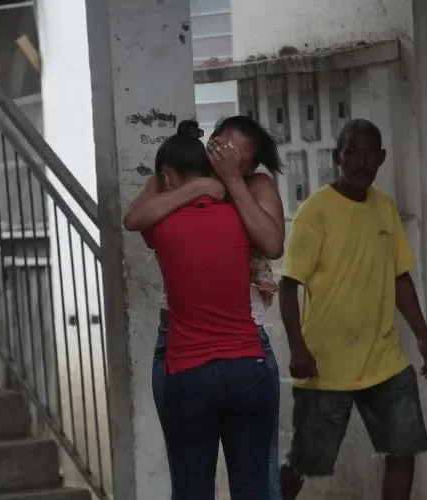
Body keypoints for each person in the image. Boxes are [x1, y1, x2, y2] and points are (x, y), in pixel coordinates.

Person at [278, 118, 427, 500]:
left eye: (370, 154)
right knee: (304, 463)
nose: (361, 162)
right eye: (352, 152)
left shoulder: (384, 207)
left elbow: (400, 279)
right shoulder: (315, 211)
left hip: (384, 359)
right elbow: (289, 287)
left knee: (404, 450)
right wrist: (298, 348)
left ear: (382, 159)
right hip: (326, 364)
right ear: (338, 157)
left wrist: (423, 336)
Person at [123, 115, 285, 500]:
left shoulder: (255, 187)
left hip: (245, 343)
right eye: (221, 144)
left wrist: (229, 183)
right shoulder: (174, 179)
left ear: (250, 167)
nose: (224, 155)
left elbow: (272, 243)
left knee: (257, 482)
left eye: (237, 156)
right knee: (194, 478)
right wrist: (199, 185)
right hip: (178, 343)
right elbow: (136, 216)